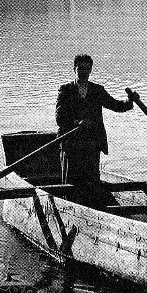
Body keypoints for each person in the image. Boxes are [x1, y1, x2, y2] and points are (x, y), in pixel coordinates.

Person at [55, 54, 133, 205]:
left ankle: (92, 210)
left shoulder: (97, 90)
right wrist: (77, 122)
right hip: (71, 144)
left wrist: (129, 102)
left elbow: (115, 105)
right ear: (74, 69)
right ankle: (69, 208)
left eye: (87, 69)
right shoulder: (65, 90)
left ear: (91, 70)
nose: (83, 72)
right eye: (80, 69)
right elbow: (60, 119)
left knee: (91, 182)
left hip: (91, 144)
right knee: (72, 182)